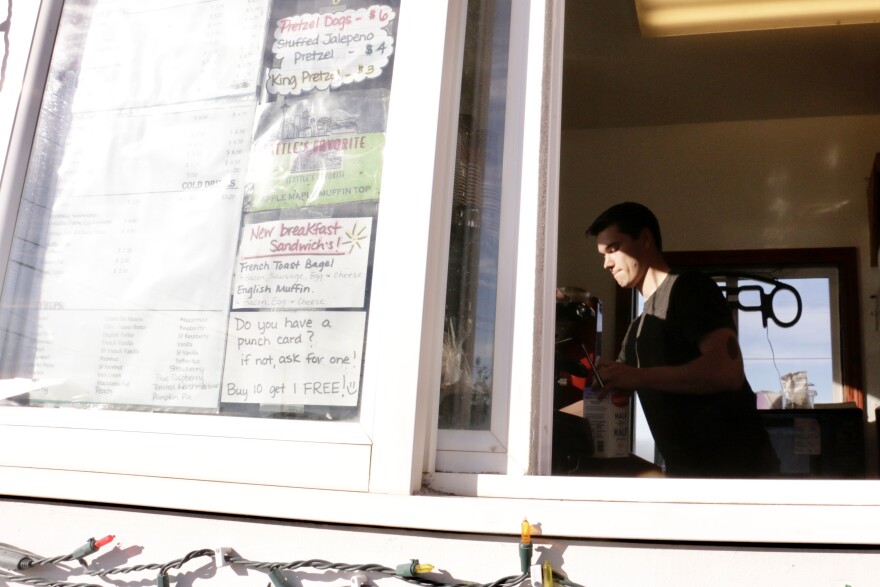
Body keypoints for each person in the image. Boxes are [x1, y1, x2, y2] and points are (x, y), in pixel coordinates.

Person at [585, 202, 779, 478]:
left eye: (614, 249)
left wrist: (638, 377)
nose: (606, 263)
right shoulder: (637, 330)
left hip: (740, 476)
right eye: (603, 254)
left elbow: (727, 371)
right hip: (689, 479)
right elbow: (609, 391)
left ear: (646, 239)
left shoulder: (689, 289)